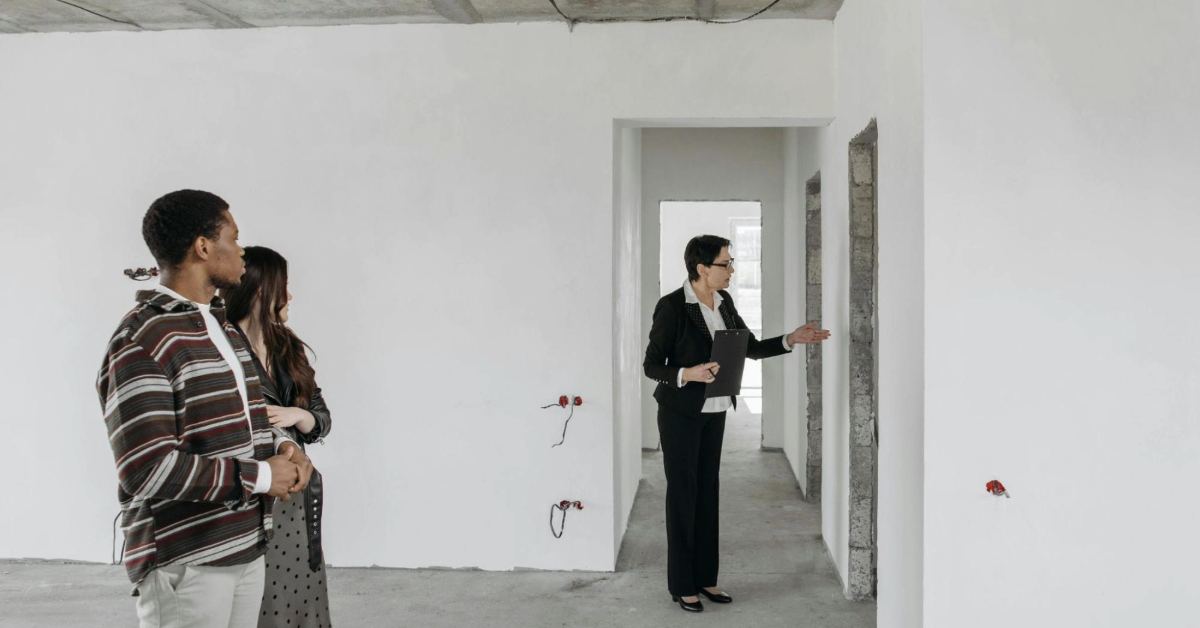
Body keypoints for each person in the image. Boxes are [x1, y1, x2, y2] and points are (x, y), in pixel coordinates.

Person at [97, 190, 314, 628]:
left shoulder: (221, 326)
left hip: (246, 546)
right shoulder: (142, 338)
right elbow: (145, 469)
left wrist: (284, 448)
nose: (242, 251)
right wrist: (263, 476)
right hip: (186, 560)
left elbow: (248, 419)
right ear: (202, 247)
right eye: (234, 238)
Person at [643, 234, 831, 613]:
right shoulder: (673, 306)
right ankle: (682, 585)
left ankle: (705, 578)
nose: (731, 270)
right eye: (725, 263)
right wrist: (688, 374)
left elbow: (750, 347)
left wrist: (790, 339)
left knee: (707, 493)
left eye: (731, 263)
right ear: (702, 268)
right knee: (683, 496)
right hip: (680, 414)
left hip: (715, 411)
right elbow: (651, 365)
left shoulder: (724, 303)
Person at [223, 246, 333, 628]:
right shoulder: (222, 347)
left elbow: (322, 419)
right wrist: (285, 434)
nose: (290, 295)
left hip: (296, 489)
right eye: (284, 285)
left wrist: (298, 415)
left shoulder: (289, 347)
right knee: (261, 600)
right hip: (251, 491)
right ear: (261, 289)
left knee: (301, 596)